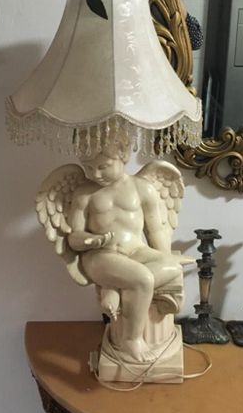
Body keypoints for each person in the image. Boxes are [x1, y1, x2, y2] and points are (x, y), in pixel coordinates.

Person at [65, 139, 185, 363]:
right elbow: (73, 238)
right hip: (101, 256)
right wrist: (91, 241)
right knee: (142, 279)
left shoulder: (142, 188)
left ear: (123, 155)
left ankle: (115, 287)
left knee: (174, 268)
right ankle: (132, 339)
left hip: (136, 251)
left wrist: (164, 257)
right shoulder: (85, 194)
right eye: (89, 168)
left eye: (103, 166)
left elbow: (156, 229)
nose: (95, 174)